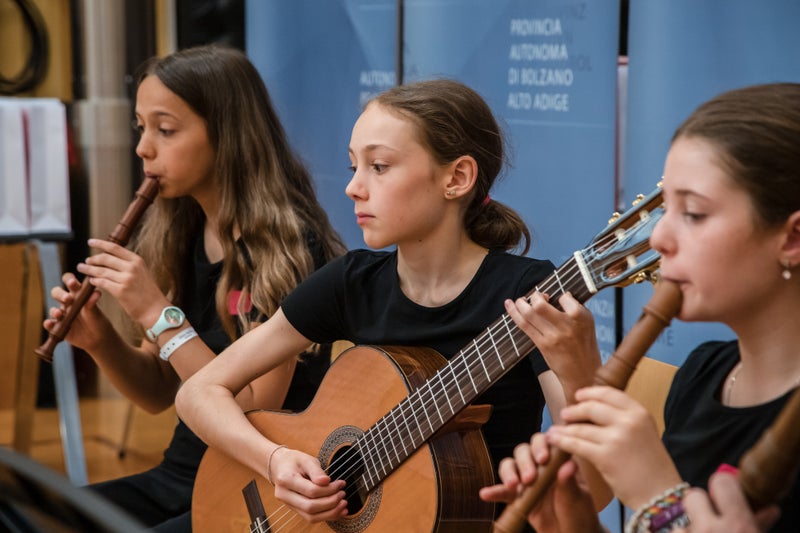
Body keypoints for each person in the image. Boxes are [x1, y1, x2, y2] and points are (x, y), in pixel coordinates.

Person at [174, 78, 607, 528]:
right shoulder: (352, 283)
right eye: (353, 167)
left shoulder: (530, 293)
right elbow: (198, 393)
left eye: (379, 166)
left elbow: (595, 493)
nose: (353, 188)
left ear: (457, 178)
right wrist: (274, 460)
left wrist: (580, 369)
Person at [43, 44, 346, 532]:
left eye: (165, 130)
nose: (143, 148)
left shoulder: (289, 247)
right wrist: (99, 341)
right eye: (141, 128)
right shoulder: (177, 232)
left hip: (255, 491)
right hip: (179, 478)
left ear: (226, 135)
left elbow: (253, 406)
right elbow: (157, 392)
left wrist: (158, 314)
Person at [480, 82, 800, 532]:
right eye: (665, 210)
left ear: (792, 238)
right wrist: (573, 525)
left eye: (693, 213)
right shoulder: (702, 374)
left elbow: (666, 510)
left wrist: (659, 497)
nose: (660, 238)